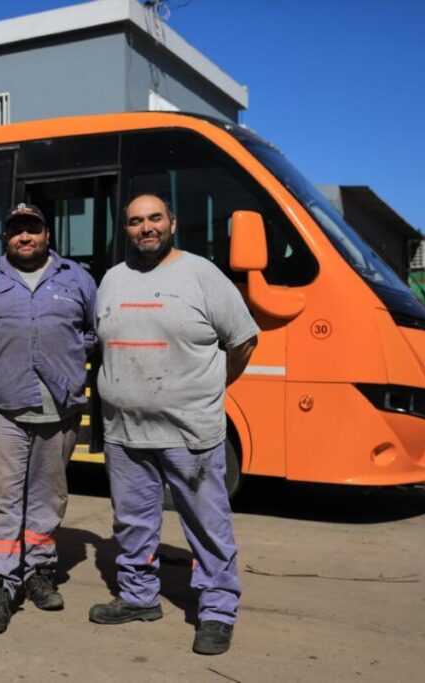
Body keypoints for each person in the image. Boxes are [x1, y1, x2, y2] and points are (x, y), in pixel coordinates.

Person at [89, 194, 258, 656]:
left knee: (207, 524)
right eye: (136, 221)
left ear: (172, 223)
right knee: (132, 522)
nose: (146, 228)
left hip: (189, 432)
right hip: (125, 432)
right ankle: (139, 597)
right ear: (125, 229)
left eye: (154, 219)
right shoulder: (112, 280)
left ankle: (217, 611)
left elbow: (243, 341)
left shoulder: (202, 275)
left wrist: (211, 388)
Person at [0, 203, 97, 635]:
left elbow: (92, 335)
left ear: (47, 235)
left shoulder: (76, 278)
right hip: (2, 406)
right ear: (6, 237)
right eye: (17, 231)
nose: (25, 237)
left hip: (60, 407)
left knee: (49, 496)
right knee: (0, 499)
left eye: (33, 229)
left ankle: (39, 571)